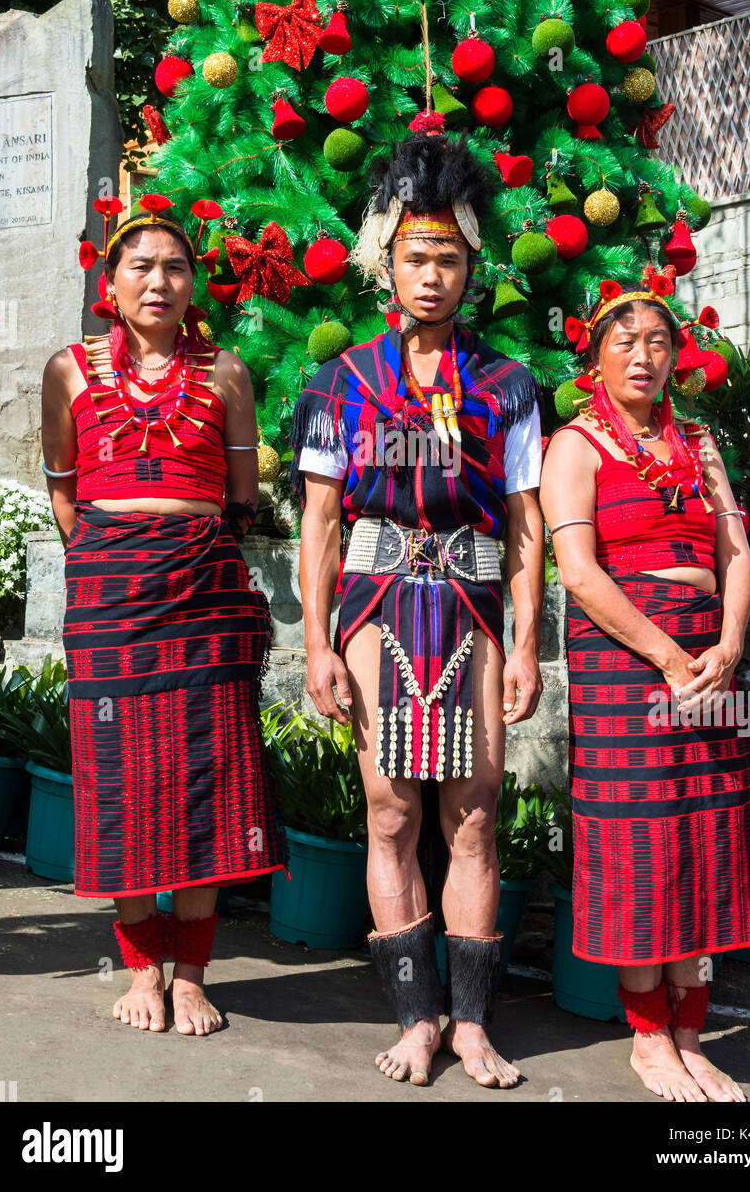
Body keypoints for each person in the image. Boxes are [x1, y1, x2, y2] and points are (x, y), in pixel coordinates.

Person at [290, 125, 545, 1088]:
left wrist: (527, 645)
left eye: (448, 256)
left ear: (472, 267)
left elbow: (524, 524)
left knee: (473, 815)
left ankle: (473, 1024)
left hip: (472, 614)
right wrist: (317, 642)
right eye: (413, 256)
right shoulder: (338, 384)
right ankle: (416, 1015)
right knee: (391, 815)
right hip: (375, 611)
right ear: (383, 262)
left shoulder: (508, 386)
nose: (430, 274)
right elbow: (319, 523)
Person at [539, 268, 750, 1103]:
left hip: (705, 655)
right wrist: (664, 656)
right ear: (596, 360)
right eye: (624, 343)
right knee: (641, 838)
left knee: (707, 832)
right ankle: (649, 1041)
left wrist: (724, 644)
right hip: (627, 660)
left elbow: (733, 555)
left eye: (656, 342)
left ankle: (691, 1034)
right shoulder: (574, 445)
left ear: (675, 357)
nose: (642, 357)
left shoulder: (699, 444)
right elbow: (577, 571)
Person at [40, 194, 288, 1037]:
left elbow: (243, 498)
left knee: (207, 781)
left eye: (174, 267)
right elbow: (64, 490)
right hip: (110, 597)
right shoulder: (69, 369)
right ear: (110, 283)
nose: (158, 280)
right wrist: (113, 556)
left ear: (193, 286)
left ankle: (191, 973)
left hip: (203, 593)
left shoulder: (224, 374)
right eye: (139, 266)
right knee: (124, 780)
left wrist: (177, 544)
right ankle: (141, 966)